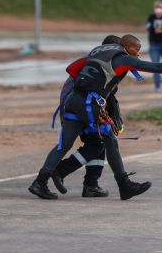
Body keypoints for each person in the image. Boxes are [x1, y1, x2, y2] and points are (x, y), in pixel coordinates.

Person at [29, 34, 162, 200]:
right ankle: (124, 185)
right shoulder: (122, 57)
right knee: (110, 141)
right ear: (127, 47)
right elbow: (154, 67)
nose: (139, 53)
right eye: (137, 49)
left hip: (73, 100)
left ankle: (39, 183)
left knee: (64, 144)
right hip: (89, 104)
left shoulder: (97, 51)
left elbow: (72, 68)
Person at [50, 35, 123, 198]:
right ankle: (60, 171)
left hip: (78, 110)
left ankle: (91, 184)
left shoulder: (94, 63)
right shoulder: (103, 68)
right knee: (97, 144)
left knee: (99, 143)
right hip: (80, 112)